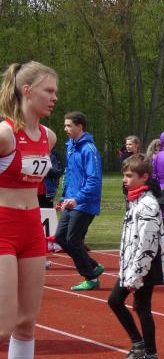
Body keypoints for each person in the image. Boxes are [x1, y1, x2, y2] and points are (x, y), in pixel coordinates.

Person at [0, 61, 58, 359]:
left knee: (26, 323)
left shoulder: (48, 137)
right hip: (2, 227)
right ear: (26, 91)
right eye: (48, 91)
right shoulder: (5, 134)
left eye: (55, 91)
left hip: (32, 229)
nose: (54, 97)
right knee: (3, 322)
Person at [109, 155, 164, 359]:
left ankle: (151, 357)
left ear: (144, 177)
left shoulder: (148, 204)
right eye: (124, 175)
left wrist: (137, 273)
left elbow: (147, 243)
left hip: (145, 266)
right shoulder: (135, 200)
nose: (125, 180)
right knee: (116, 301)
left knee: (141, 307)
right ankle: (138, 346)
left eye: (129, 176)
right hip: (133, 264)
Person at [56, 110, 104, 291]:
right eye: (65, 125)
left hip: (85, 203)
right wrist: (64, 197)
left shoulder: (89, 149)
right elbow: (69, 175)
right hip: (71, 200)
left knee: (73, 240)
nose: (65, 129)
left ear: (80, 126)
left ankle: (91, 278)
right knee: (60, 238)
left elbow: (94, 179)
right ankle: (93, 266)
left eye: (69, 125)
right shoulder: (71, 146)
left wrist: (78, 198)